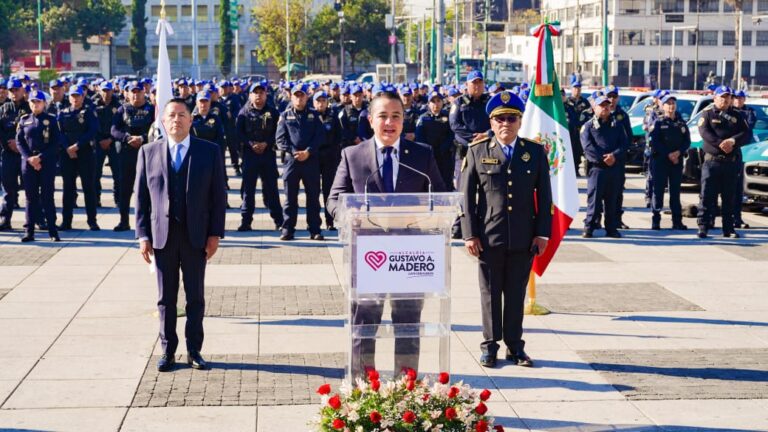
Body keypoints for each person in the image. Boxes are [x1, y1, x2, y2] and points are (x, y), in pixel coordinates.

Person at [327, 90, 446, 378]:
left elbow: (441, 196)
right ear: (370, 120)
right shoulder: (352, 155)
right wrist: (346, 214)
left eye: (396, 116)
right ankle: (364, 389)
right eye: (383, 116)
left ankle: (406, 388)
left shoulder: (422, 154)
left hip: (411, 257)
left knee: (408, 327)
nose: (389, 123)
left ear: (404, 121)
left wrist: (428, 213)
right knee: (365, 327)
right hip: (369, 255)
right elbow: (334, 199)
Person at [460, 90, 551, 368]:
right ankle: (489, 346)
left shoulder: (534, 152)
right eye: (500, 119)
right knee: (490, 294)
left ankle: (515, 346)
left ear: (520, 121)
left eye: (511, 118)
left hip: (524, 237)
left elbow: (545, 195)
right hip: (488, 236)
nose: (506, 124)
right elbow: (466, 196)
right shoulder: (477, 151)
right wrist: (469, 234)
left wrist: (542, 233)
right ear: (491, 122)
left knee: (515, 294)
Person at [135, 98, 226, 372]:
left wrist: (215, 235)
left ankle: (194, 349)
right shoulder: (148, 152)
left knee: (195, 296)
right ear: (163, 121)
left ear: (191, 119)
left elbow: (217, 197)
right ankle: (168, 351)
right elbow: (141, 198)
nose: (176, 120)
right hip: (162, 236)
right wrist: (142, 236)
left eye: (182, 115)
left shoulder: (209, 151)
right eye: (171, 115)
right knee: (166, 298)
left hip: (195, 236)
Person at [696, 86, 750, 239]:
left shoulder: (738, 116)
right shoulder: (707, 114)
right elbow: (705, 133)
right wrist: (721, 143)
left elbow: (746, 134)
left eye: (728, 97)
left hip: (731, 163)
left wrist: (732, 141)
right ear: (715, 98)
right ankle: (703, 226)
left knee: (729, 197)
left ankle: (728, 228)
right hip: (712, 163)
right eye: (722, 97)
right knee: (707, 196)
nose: (725, 100)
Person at [275, 83, 325, 241]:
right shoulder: (285, 115)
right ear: (291, 96)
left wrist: (308, 151)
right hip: (292, 161)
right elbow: (280, 139)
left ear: (306, 97)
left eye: (302, 95)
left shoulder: (314, 115)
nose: (299, 98)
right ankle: (288, 229)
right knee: (290, 198)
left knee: (313, 197)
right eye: (296, 95)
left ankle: (315, 229)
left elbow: (320, 136)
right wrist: (293, 151)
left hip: (310, 161)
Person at [236, 81, 284, 232]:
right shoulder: (243, 112)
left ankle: (279, 221)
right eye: (255, 93)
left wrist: (267, 143)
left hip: (268, 154)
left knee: (272, 189)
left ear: (265, 94)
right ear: (250, 95)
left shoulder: (273, 111)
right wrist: (250, 144)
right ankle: (246, 221)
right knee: (248, 190)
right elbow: (238, 133)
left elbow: (279, 132)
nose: (258, 95)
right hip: (250, 155)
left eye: (261, 92)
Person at [449, 70, 491, 239]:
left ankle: (482, 224)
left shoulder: (489, 102)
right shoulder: (459, 103)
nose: (477, 86)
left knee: (485, 190)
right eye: (474, 83)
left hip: (485, 152)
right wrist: (473, 139)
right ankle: (459, 225)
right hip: (465, 153)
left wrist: (486, 135)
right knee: (463, 191)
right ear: (467, 85)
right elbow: (455, 125)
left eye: (480, 82)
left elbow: (497, 121)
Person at [581, 94, 629, 239]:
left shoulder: (617, 124)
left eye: (607, 106)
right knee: (594, 200)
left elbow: (624, 144)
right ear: (595, 107)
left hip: (614, 168)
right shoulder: (588, 126)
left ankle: (611, 228)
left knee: (612, 200)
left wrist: (614, 156)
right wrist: (604, 159)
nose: (605, 108)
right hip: (597, 168)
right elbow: (588, 146)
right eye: (602, 106)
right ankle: (589, 227)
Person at [16, 90, 61, 242]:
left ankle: (53, 231)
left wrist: (40, 158)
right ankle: (29, 231)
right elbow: (19, 141)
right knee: (30, 198)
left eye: (38, 102)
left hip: (46, 162)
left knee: (47, 197)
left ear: (44, 103)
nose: (35, 104)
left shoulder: (51, 120)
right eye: (33, 101)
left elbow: (56, 143)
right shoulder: (24, 120)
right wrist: (30, 158)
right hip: (28, 164)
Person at [111, 82, 155, 231]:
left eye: (139, 92)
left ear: (144, 93)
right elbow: (114, 130)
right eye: (133, 92)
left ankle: (148, 221)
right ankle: (124, 221)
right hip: (127, 154)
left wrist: (142, 138)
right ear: (127, 94)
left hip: (147, 153)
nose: (136, 95)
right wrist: (127, 138)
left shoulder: (152, 110)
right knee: (125, 189)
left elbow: (157, 129)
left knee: (148, 188)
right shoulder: (122, 109)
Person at [57, 86, 100, 231]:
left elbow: (93, 130)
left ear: (83, 97)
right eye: (73, 96)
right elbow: (59, 132)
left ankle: (92, 221)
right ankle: (66, 221)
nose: (75, 99)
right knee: (68, 188)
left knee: (88, 188)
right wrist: (67, 148)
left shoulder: (88, 112)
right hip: (67, 154)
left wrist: (77, 145)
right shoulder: (63, 113)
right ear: (69, 98)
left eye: (78, 96)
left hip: (85, 153)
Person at [648, 94, 690, 230]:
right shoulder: (658, 122)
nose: (671, 106)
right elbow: (654, 142)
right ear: (663, 106)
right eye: (668, 103)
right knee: (658, 191)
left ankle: (677, 221)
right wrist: (668, 154)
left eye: (673, 103)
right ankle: (656, 220)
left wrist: (678, 153)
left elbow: (686, 141)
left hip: (676, 162)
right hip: (660, 161)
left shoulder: (681, 123)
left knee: (675, 192)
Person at [0, 79, 31, 231]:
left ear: (22, 91)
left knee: (31, 188)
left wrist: (21, 146)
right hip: (8, 153)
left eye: (16, 90)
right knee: (8, 189)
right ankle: (5, 220)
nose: (14, 93)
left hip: (26, 154)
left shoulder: (30, 107)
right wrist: (8, 143)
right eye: (11, 90)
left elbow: (35, 130)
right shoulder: (4, 108)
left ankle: (36, 220)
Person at [415, 90, 455, 190]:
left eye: (438, 101)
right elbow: (420, 137)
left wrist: (444, 147)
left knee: (446, 181)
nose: (436, 104)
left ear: (442, 102)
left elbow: (452, 134)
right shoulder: (423, 118)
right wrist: (429, 150)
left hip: (444, 156)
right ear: (428, 104)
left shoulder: (448, 116)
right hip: (429, 156)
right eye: (433, 101)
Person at [313, 90, 342, 231]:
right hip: (313, 156)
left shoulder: (333, 115)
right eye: (318, 101)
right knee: (313, 191)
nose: (321, 103)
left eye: (323, 101)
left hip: (329, 157)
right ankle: (314, 222)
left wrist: (334, 153)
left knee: (328, 190)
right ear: (313, 103)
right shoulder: (310, 116)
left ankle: (329, 221)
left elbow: (339, 136)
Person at [93, 81, 122, 208]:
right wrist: (100, 140)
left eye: (108, 90)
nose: (106, 93)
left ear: (112, 91)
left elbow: (121, 125)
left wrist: (110, 139)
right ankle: (96, 198)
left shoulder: (119, 106)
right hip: (98, 142)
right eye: (104, 90)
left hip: (114, 142)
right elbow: (91, 125)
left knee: (117, 173)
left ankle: (118, 199)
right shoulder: (93, 105)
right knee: (95, 173)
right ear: (99, 91)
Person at [732, 90, 755, 229]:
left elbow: (747, 127)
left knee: (738, 188)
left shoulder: (749, 112)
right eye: (736, 98)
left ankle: (737, 218)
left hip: (743, 151)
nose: (738, 101)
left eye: (740, 99)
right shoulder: (728, 112)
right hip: (728, 152)